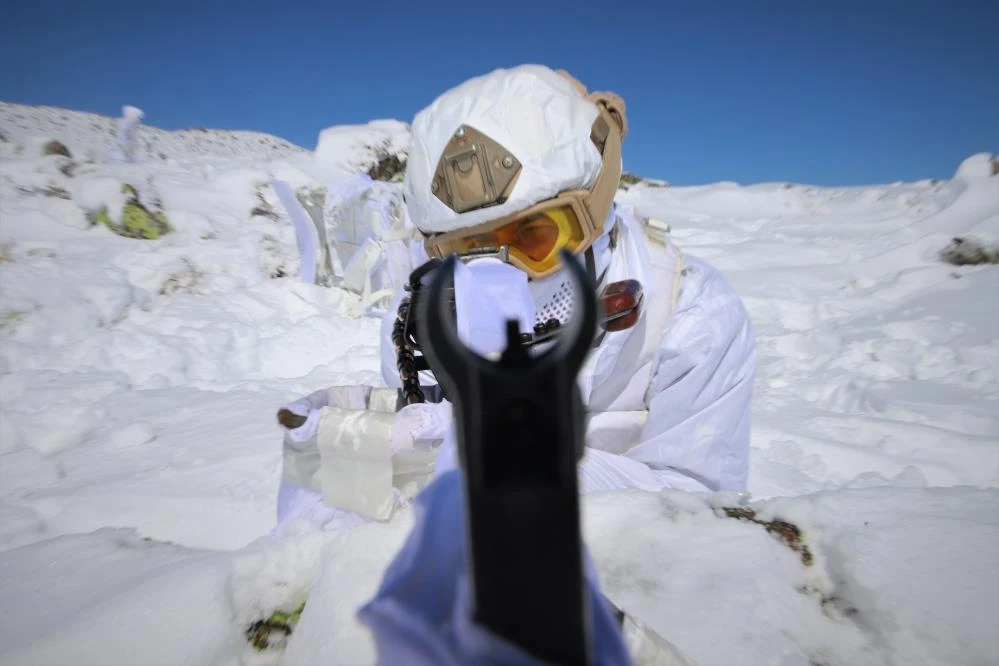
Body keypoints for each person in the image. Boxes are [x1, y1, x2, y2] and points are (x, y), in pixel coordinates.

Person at [274, 64, 756, 534]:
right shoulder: (422, 318)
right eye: (466, 246)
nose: (502, 271)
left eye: (534, 234)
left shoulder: (691, 315)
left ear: (595, 211)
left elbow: (702, 515)